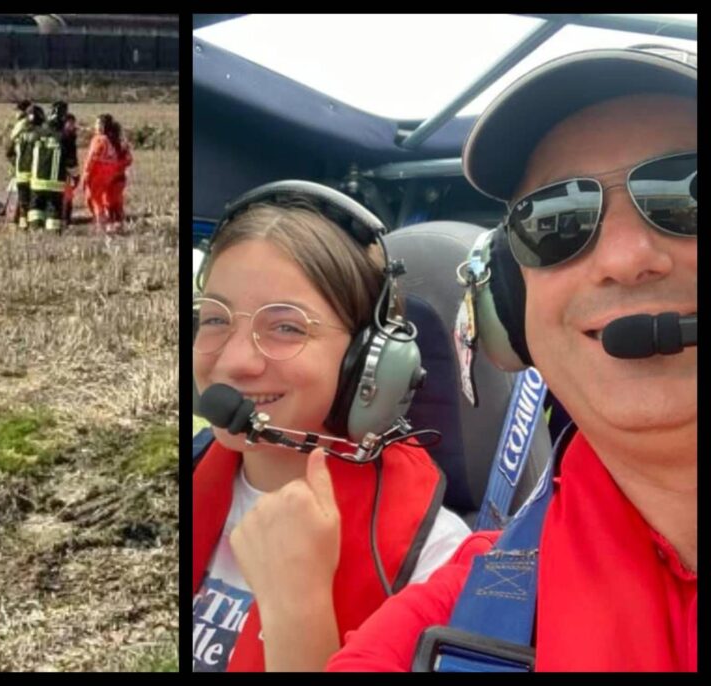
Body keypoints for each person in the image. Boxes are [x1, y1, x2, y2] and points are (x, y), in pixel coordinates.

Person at [326, 47, 696, 672]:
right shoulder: (452, 625)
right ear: (511, 300)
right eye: (556, 219)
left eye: (687, 192)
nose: (625, 257)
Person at [192, 187, 471, 672]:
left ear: (369, 364)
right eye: (215, 319)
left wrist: (297, 609)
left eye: (287, 328)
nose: (235, 361)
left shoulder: (436, 558)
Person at [27, 101, 78, 232]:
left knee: (35, 209)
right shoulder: (65, 137)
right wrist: (76, 176)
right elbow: (71, 162)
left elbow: (28, 156)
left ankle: (35, 232)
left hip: (36, 182)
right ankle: (52, 236)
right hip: (55, 184)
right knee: (53, 211)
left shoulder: (37, 133)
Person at [83, 113, 130, 234]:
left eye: (97, 123)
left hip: (101, 176)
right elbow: (128, 159)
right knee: (114, 203)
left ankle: (102, 225)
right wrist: (117, 168)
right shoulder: (118, 141)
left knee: (95, 200)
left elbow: (92, 158)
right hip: (115, 177)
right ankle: (117, 225)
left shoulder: (99, 140)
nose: (95, 126)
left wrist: (86, 174)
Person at [8, 102, 42, 229]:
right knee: (32, 203)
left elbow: (9, 149)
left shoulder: (21, 128)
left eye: (17, 111)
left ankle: (22, 224)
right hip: (34, 173)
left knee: (23, 201)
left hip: (21, 171)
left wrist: (16, 163)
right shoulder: (40, 132)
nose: (15, 113)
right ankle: (33, 226)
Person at [62, 113, 80, 226]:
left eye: (73, 123)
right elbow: (71, 159)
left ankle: (66, 218)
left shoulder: (71, 137)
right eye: (70, 123)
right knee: (66, 197)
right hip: (64, 172)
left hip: (65, 173)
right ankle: (65, 219)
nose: (73, 126)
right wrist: (76, 175)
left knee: (66, 196)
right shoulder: (67, 138)